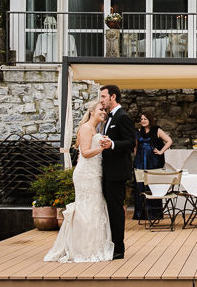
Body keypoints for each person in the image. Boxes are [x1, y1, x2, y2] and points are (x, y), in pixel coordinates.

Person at [44, 100, 115, 263]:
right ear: (92, 111)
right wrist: (102, 148)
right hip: (85, 174)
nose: (103, 112)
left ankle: (94, 246)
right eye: (100, 109)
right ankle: (81, 248)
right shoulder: (85, 128)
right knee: (86, 208)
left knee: (95, 207)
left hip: (95, 173)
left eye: (104, 110)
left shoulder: (96, 129)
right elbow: (86, 152)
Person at [98, 84, 136, 260]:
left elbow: (131, 143)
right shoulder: (108, 118)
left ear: (113, 97)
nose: (101, 100)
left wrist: (112, 144)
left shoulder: (123, 117)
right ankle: (110, 244)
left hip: (117, 173)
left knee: (116, 211)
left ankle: (118, 249)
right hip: (107, 172)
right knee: (110, 210)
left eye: (103, 96)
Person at [131, 111, 173, 220]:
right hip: (140, 161)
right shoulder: (138, 131)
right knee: (140, 186)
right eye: (141, 119)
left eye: (145, 119)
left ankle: (154, 213)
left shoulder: (157, 130)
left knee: (153, 186)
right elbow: (135, 146)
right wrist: (137, 156)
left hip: (153, 162)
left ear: (150, 120)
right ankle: (141, 213)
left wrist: (161, 151)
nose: (143, 121)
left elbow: (169, 141)